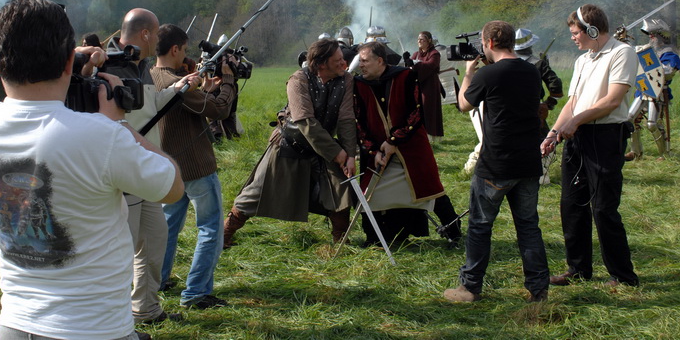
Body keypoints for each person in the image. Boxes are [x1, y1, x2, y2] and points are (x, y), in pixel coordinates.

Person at [0, 0, 184, 340]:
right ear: (68, 60)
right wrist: (119, 123)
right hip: (93, 327)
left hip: (14, 323)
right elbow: (173, 187)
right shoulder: (102, 137)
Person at [105, 9, 200, 325]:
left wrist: (179, 88)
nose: (159, 39)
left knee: (155, 239)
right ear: (145, 33)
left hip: (144, 170)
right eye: (156, 33)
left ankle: (145, 309)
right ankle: (114, 320)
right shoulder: (108, 65)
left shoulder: (141, 65)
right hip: (123, 172)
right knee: (123, 249)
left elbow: (150, 107)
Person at [443, 21, 548, 303]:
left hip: (496, 163)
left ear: (489, 43)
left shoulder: (487, 74)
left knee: (480, 225)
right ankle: (539, 290)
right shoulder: (531, 71)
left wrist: (469, 72)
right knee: (528, 227)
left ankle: (470, 287)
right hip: (528, 161)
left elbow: (464, 104)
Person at [223, 38, 356, 248]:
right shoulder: (298, 79)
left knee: (339, 189)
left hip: (324, 148)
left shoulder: (346, 79)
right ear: (322, 64)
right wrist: (337, 153)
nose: (344, 63)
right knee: (257, 192)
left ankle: (341, 242)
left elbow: (346, 119)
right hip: (290, 143)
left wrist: (349, 155)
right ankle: (223, 234)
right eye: (338, 60)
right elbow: (305, 121)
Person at [542, 4, 639, 287]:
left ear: (593, 30)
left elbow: (612, 100)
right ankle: (578, 269)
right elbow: (572, 103)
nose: (573, 37)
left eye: (576, 33)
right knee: (571, 205)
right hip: (577, 138)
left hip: (605, 138)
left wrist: (576, 121)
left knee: (603, 209)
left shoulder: (622, 53)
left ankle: (622, 276)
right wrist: (552, 133)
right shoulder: (582, 60)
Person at [151, 24, 237, 309]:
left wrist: (204, 88)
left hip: (167, 169)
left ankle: (158, 280)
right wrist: (228, 80)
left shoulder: (151, 77)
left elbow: (196, 105)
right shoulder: (178, 84)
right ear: (175, 49)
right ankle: (196, 293)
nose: (186, 54)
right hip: (196, 167)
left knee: (167, 228)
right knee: (211, 229)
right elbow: (219, 110)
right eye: (184, 49)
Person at [353, 41, 456, 246]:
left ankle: (454, 232)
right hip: (378, 153)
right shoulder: (358, 84)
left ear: (379, 61)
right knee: (369, 195)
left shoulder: (405, 76)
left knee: (430, 190)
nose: (360, 65)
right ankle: (375, 238)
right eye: (360, 61)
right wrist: (373, 150)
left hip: (412, 148)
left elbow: (416, 113)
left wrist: (394, 140)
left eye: (364, 61)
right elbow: (359, 122)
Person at [624, 18, 680, 161]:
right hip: (643, 89)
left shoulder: (669, 54)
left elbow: (668, 72)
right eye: (650, 35)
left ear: (661, 36)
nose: (650, 37)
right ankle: (636, 152)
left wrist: (655, 67)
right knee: (630, 119)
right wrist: (623, 39)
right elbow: (629, 51)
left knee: (652, 124)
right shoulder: (646, 50)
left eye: (653, 35)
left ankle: (664, 154)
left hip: (658, 93)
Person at [514, 28, 563, 184]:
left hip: (510, 110)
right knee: (545, 140)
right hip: (534, 110)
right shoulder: (538, 63)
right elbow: (555, 84)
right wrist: (549, 103)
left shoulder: (506, 62)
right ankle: (541, 175)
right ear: (530, 45)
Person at [405, 31, 444, 140]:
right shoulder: (416, 54)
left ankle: (431, 135)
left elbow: (431, 65)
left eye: (422, 39)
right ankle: (419, 134)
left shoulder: (434, 53)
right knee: (417, 109)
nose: (419, 41)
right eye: (418, 39)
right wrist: (407, 61)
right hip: (418, 85)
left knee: (428, 108)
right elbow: (410, 68)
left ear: (429, 41)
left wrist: (415, 63)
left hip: (430, 86)